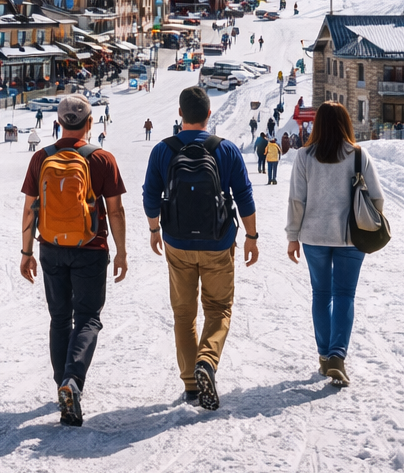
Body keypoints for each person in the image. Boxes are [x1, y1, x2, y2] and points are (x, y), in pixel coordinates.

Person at [141, 85, 258, 410]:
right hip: (218, 241)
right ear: (209, 115)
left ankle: (191, 383)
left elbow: (150, 196)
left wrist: (154, 230)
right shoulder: (226, 149)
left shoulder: (163, 150)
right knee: (218, 308)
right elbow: (245, 197)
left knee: (183, 313)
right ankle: (207, 361)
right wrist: (251, 237)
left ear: (180, 114)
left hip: (176, 241)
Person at [18, 95, 128, 427]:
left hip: (50, 247)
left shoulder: (41, 158)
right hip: (91, 249)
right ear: (90, 123)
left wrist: (25, 253)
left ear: (59, 121)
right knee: (88, 319)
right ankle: (72, 381)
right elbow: (116, 210)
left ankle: (61, 386)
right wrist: (121, 251)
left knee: (59, 318)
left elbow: (29, 209)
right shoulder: (102, 159)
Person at [286, 102, 385, 388]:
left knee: (321, 294)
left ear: (317, 125)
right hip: (351, 237)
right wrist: (372, 224)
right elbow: (377, 198)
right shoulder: (358, 155)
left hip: (314, 238)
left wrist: (293, 236)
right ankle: (337, 357)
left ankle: (323, 356)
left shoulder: (304, 156)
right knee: (344, 294)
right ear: (346, 123)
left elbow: (296, 201)